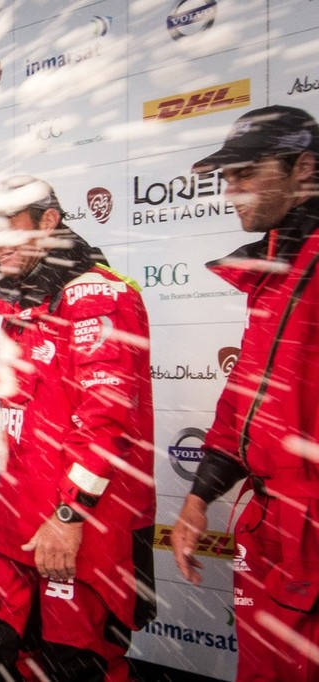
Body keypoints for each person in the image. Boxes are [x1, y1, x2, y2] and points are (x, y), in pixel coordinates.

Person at [0, 175, 156, 681]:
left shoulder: (96, 295)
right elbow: (33, 418)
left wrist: (70, 517)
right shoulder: (22, 299)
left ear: (49, 222)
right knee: (3, 654)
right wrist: (0, 488)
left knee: (77, 666)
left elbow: (106, 423)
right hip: (21, 529)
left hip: (80, 535)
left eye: (10, 227)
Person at [172, 105, 319, 681]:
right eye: (225, 177)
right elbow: (245, 397)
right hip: (268, 537)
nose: (228, 190)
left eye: (245, 173)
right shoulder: (274, 267)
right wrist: (198, 497)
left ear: (304, 168)